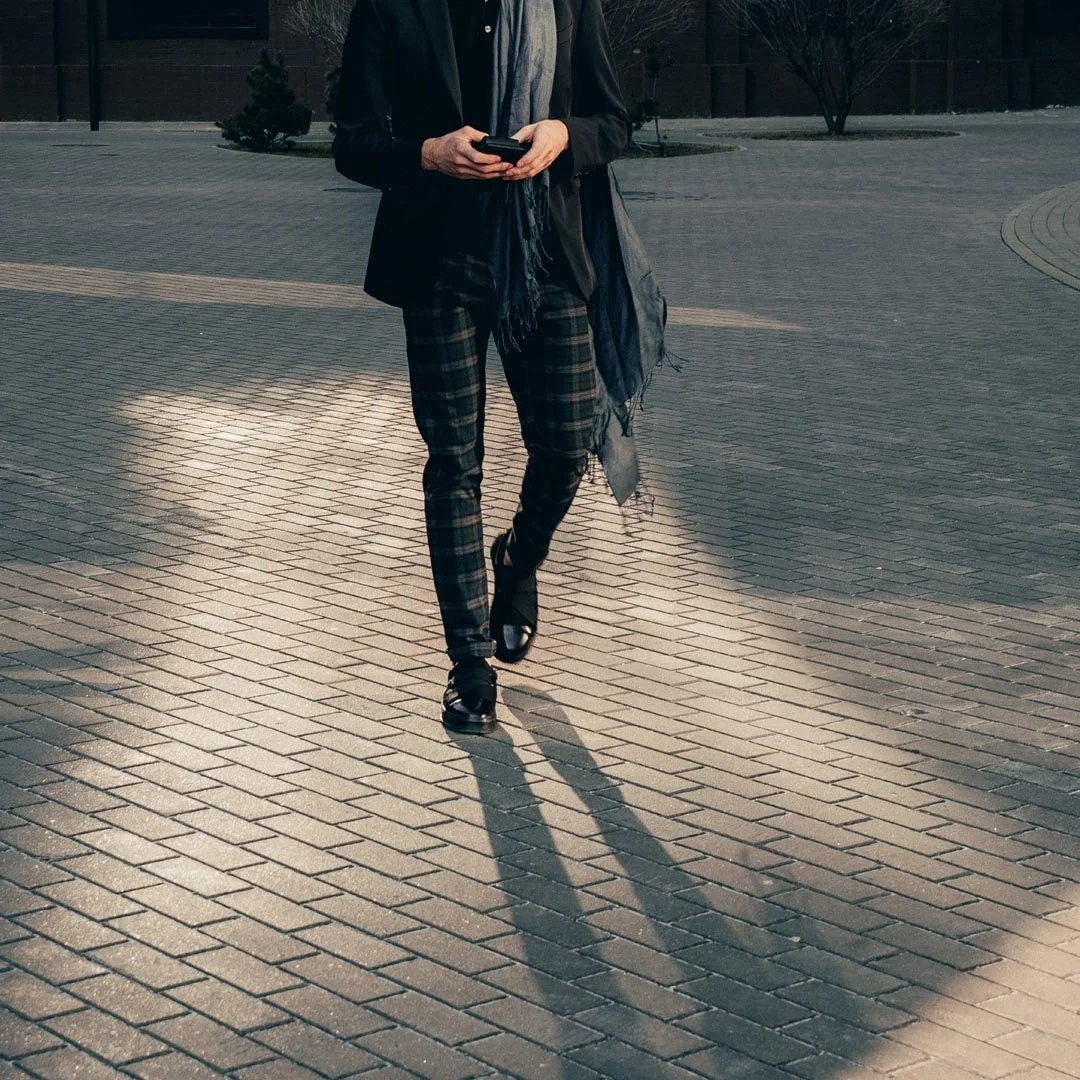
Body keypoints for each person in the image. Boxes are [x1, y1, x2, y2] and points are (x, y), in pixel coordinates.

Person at [333, 0, 631, 734]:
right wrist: (428, 154)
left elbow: (613, 121)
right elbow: (353, 141)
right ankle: (468, 666)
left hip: (544, 254)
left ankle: (518, 559)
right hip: (437, 260)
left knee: (568, 444)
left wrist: (564, 135)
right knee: (454, 462)